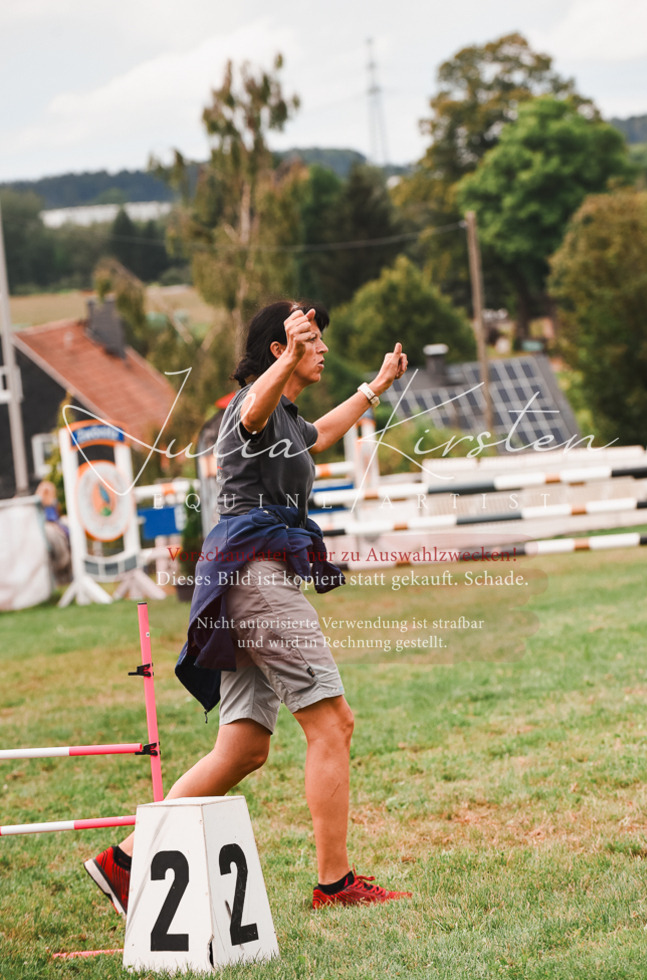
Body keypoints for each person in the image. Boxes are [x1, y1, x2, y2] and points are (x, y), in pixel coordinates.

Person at [84, 300, 411, 914]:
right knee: (332, 724)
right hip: (257, 578)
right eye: (310, 340)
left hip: (238, 580)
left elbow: (324, 433)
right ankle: (335, 885)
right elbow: (252, 411)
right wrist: (288, 358)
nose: (321, 350)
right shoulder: (249, 409)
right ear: (277, 350)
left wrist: (377, 386)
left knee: (242, 749)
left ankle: (123, 862)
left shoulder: (287, 417)